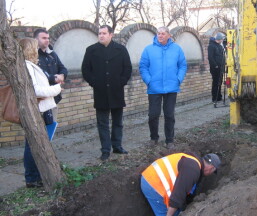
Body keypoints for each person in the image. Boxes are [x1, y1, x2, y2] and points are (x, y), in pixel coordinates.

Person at [82, 25, 132, 161]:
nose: (101, 36)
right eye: (99, 33)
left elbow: (127, 69)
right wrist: (95, 82)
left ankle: (117, 146)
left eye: (104, 33)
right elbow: (85, 70)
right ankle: (105, 149)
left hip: (116, 91)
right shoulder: (91, 50)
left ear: (111, 34)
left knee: (117, 122)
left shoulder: (120, 50)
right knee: (102, 123)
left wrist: (120, 82)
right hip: (100, 92)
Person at [19, 38, 62, 188]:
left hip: (43, 109)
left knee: (38, 143)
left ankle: (36, 175)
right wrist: (56, 89)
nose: (38, 50)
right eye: (35, 47)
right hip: (38, 110)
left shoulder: (31, 65)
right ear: (30, 49)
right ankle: (32, 178)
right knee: (32, 144)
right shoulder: (27, 66)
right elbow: (36, 90)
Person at [139, 26, 187, 149]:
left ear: (169, 35)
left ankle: (169, 140)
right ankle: (154, 138)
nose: (160, 35)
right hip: (154, 87)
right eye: (158, 33)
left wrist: (178, 79)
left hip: (172, 87)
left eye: (163, 33)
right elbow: (143, 67)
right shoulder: (148, 50)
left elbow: (182, 65)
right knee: (153, 115)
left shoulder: (177, 49)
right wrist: (148, 80)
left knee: (169, 115)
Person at [141, 152, 221, 216]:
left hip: (151, 177)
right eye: (213, 172)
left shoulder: (193, 162)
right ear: (211, 168)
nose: (211, 174)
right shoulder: (193, 169)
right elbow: (178, 194)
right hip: (154, 183)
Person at [33, 28, 68, 121]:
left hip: (54, 98)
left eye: (48, 38)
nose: (47, 40)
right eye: (44, 38)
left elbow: (63, 68)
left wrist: (62, 76)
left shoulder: (52, 54)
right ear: (36, 40)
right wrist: (53, 78)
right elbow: (38, 76)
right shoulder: (32, 55)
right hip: (39, 100)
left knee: (51, 128)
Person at [208, 32, 225, 103]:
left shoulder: (220, 46)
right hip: (215, 68)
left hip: (221, 67)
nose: (222, 41)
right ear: (219, 39)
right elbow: (210, 57)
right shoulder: (211, 46)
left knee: (219, 82)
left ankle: (219, 96)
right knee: (215, 82)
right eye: (222, 39)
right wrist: (216, 65)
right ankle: (214, 97)